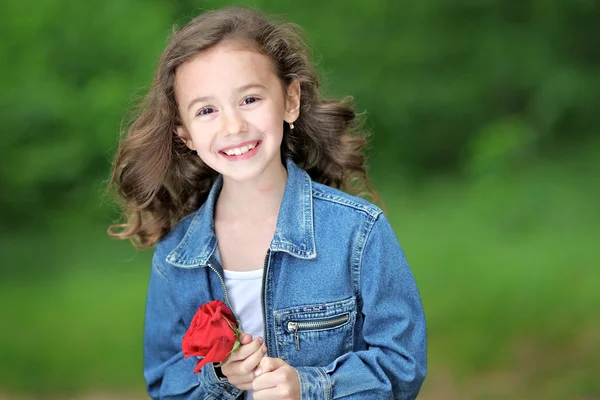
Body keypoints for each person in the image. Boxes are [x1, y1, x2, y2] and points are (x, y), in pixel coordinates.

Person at [108, 6, 426, 400]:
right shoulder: (176, 256)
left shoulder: (357, 233)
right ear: (185, 134)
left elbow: (402, 364)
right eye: (207, 110)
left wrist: (308, 386)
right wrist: (221, 378)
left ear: (290, 100)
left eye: (250, 99)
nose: (233, 126)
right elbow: (165, 381)